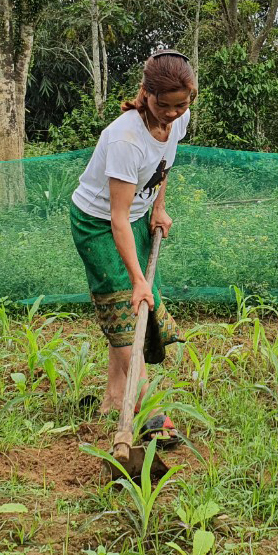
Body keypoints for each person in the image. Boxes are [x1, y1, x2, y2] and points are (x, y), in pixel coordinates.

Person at [69, 48, 193, 445]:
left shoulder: (179, 119)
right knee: (126, 304)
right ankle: (150, 406)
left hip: (137, 216)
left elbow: (164, 166)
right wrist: (139, 280)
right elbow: (116, 219)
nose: (172, 114)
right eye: (164, 105)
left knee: (130, 302)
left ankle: (112, 398)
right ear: (146, 93)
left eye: (181, 105)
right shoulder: (126, 138)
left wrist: (159, 207)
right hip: (98, 223)